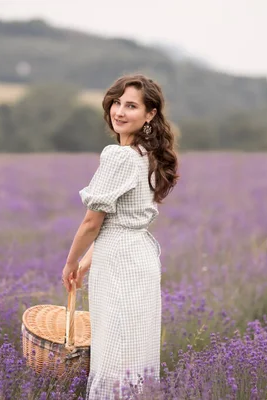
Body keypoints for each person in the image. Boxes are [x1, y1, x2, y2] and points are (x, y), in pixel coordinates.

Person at [61, 74, 179, 399]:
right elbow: (123, 222)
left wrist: (70, 263)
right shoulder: (148, 156)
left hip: (118, 264)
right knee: (134, 354)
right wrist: (86, 261)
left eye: (131, 105)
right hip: (138, 258)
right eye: (117, 102)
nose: (120, 111)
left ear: (150, 114)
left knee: (114, 353)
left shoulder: (119, 156)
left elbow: (92, 222)